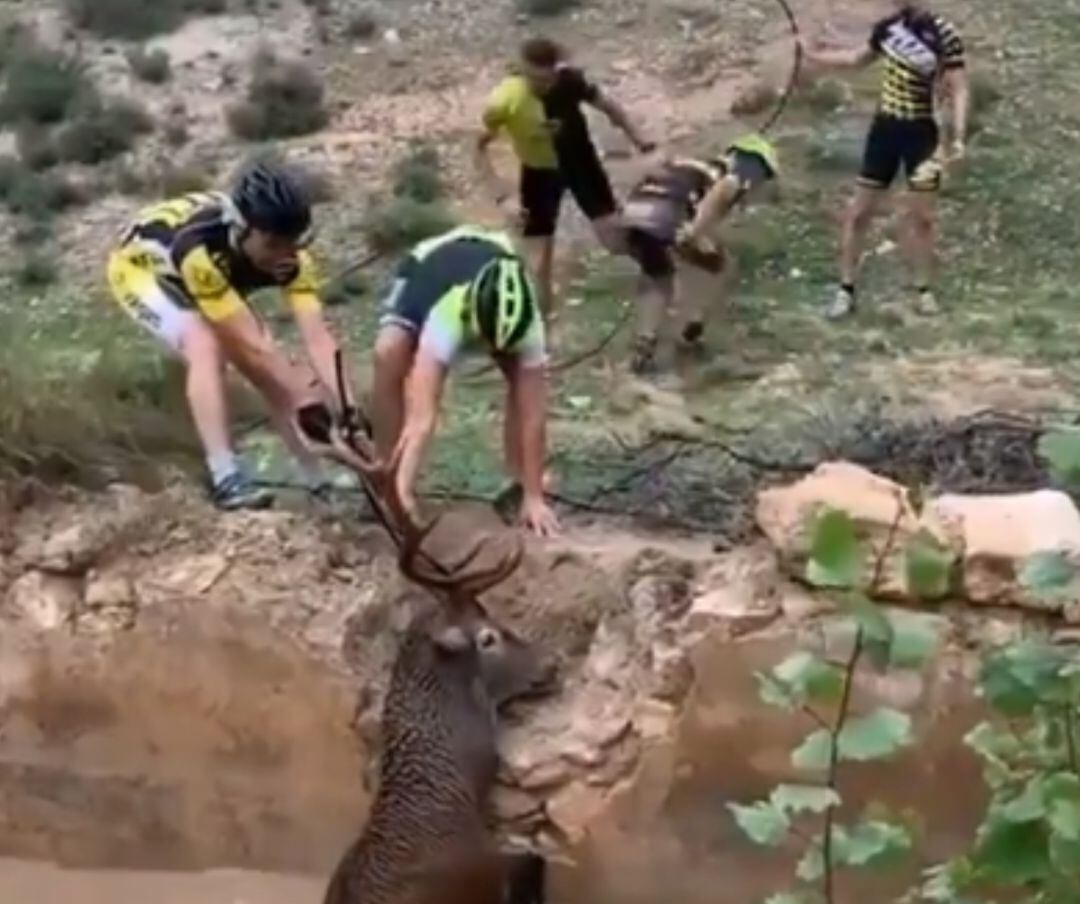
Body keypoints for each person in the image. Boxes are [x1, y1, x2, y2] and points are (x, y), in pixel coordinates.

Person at [106, 161, 357, 511]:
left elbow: (318, 339)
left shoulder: (291, 257)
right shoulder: (198, 250)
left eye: (292, 243)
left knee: (271, 374)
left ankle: (318, 482)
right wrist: (305, 398)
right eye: (273, 244)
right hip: (145, 272)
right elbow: (254, 346)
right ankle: (227, 477)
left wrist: (349, 408)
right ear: (241, 228)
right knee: (206, 347)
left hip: (216, 277)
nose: (284, 254)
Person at [371, 223, 560, 538]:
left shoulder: (530, 326)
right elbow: (422, 417)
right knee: (388, 352)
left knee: (522, 384)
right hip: (431, 267)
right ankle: (385, 473)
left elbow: (534, 416)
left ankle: (519, 484)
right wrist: (401, 496)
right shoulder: (447, 315)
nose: (492, 353)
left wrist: (534, 497)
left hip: (495, 252)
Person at [475, 36, 656, 334]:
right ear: (522, 70)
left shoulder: (569, 81)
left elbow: (609, 106)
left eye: (548, 79)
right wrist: (502, 198)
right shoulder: (504, 101)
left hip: (580, 163)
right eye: (535, 79)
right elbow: (477, 149)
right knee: (538, 260)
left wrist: (639, 138)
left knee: (614, 240)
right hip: (539, 174)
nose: (544, 86)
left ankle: (661, 266)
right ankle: (540, 332)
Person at [805, 1, 970, 319]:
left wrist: (959, 135)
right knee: (859, 212)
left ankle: (924, 290)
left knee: (922, 218)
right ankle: (846, 289)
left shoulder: (944, 33)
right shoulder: (888, 29)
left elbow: (959, 88)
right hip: (885, 130)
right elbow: (855, 59)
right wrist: (814, 57)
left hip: (922, 133)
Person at [620, 133, 780, 374]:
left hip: (634, 214)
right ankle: (691, 329)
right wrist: (694, 233)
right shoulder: (743, 172)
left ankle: (645, 342)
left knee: (659, 276)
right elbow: (725, 190)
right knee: (722, 267)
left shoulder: (696, 164)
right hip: (665, 218)